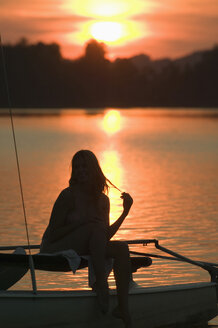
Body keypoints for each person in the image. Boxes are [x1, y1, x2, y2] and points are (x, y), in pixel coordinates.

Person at [40, 150, 133, 327]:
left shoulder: (103, 200)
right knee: (93, 227)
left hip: (88, 244)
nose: (81, 170)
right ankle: (101, 286)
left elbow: (103, 237)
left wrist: (125, 213)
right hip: (54, 247)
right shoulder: (68, 196)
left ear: (94, 170)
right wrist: (81, 223)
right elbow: (53, 234)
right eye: (77, 167)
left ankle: (123, 308)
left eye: (85, 166)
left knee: (121, 248)